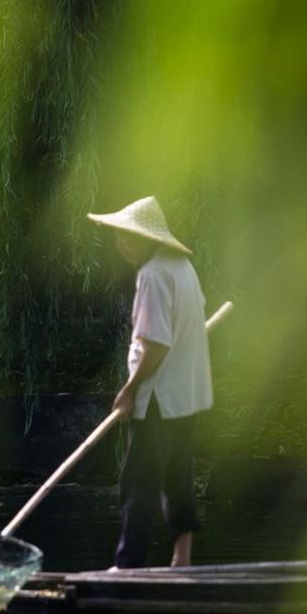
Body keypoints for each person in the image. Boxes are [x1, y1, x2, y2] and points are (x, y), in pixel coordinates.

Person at [87, 196, 213, 568]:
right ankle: (182, 558)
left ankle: (128, 566)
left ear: (146, 238)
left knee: (138, 482)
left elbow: (156, 343)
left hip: (157, 396)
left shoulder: (154, 274)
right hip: (185, 395)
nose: (119, 244)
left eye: (126, 236)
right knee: (178, 477)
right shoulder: (182, 267)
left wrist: (129, 390)